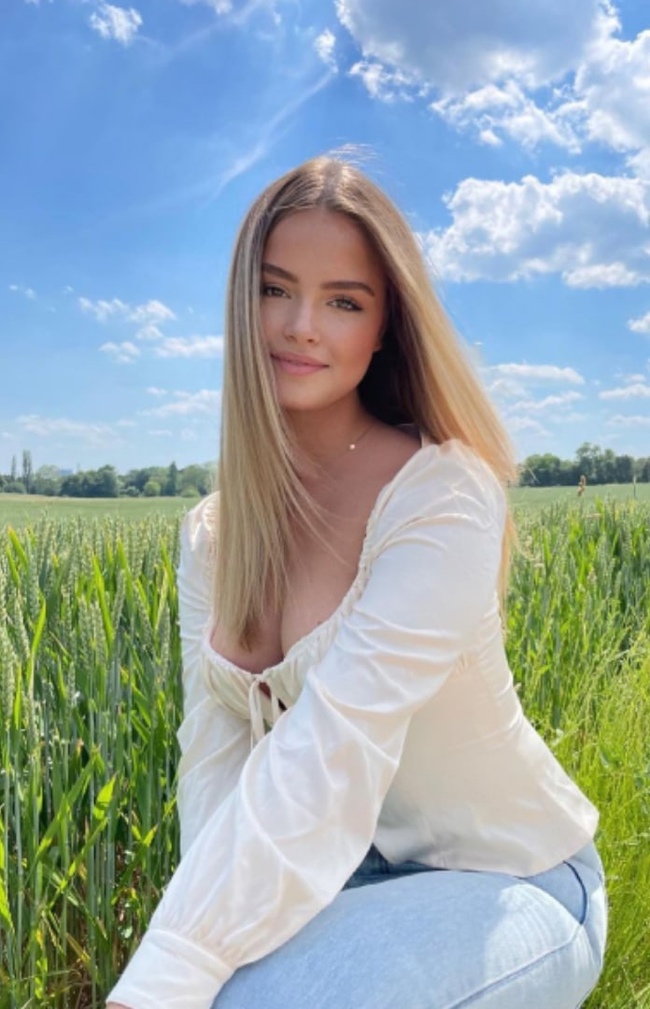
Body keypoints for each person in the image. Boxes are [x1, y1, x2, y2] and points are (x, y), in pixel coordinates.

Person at [107, 155, 607, 1009]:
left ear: (384, 329)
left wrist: (168, 980)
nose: (302, 324)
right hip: (341, 883)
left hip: (512, 878)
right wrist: (193, 954)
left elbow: (333, 748)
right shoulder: (213, 534)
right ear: (240, 303)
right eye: (275, 289)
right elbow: (216, 766)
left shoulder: (441, 495)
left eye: (344, 300)